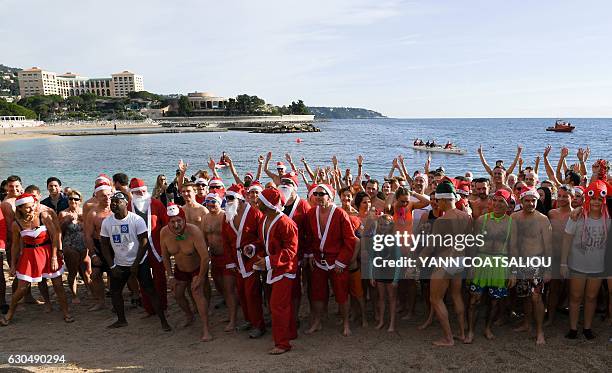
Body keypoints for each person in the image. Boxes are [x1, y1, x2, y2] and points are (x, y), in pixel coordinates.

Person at [99, 191, 171, 331]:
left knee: (150, 290)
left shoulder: (136, 220)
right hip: (119, 263)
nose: (113, 204)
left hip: (140, 262)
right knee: (115, 292)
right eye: (112, 202)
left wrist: (136, 264)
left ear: (126, 203)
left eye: (117, 202)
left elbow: (144, 243)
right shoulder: (107, 222)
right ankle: (121, 320)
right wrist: (112, 265)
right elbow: (104, 244)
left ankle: (163, 321)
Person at [1, 193, 73, 325]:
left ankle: (66, 312)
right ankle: (10, 313)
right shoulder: (16, 224)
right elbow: (15, 246)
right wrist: (12, 265)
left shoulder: (43, 216)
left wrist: (54, 256)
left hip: (47, 253)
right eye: (28, 207)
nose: (32, 209)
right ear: (20, 208)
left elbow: (55, 236)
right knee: (22, 288)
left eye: (33, 205)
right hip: (29, 256)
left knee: (58, 285)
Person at [305, 184, 357, 336]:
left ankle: (346, 323)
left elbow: (350, 240)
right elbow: (309, 237)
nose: (319, 197)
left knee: (341, 294)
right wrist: (310, 255)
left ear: (330, 196)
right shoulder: (311, 213)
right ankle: (318, 322)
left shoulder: (340, 214)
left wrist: (341, 261)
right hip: (319, 261)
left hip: (337, 262)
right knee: (317, 293)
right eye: (316, 194)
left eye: (322, 194)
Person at [252, 188, 299, 354]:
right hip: (273, 268)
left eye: (260, 201)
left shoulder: (286, 223)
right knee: (283, 305)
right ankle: (290, 333)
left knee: (278, 306)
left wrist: (268, 261)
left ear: (268, 205)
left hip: (284, 269)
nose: (256, 203)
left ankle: (282, 344)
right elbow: (262, 241)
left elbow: (291, 251)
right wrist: (252, 248)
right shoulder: (265, 219)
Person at [561, 180, 609, 340]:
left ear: (604, 200)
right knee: (575, 297)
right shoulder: (577, 216)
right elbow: (566, 240)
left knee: (591, 297)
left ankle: (587, 327)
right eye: (593, 198)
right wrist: (563, 263)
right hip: (577, 265)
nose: (596, 201)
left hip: (597, 266)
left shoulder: (608, 217)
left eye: (599, 199)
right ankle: (573, 328)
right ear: (588, 199)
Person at [426, 181, 471, 346]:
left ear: (444, 200)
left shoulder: (441, 221)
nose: (437, 204)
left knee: (435, 299)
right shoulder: (466, 216)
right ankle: (462, 333)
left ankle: (448, 338)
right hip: (460, 260)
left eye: (438, 201)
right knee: (456, 295)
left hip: (445, 262)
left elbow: (432, 246)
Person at [465, 189, 513, 343]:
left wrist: (512, 272)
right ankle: (471, 331)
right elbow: (474, 244)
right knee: (474, 300)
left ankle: (487, 328)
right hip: (481, 260)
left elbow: (514, 248)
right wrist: (471, 265)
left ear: (508, 205)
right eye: (496, 200)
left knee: (494, 301)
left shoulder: (512, 222)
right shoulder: (482, 220)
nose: (497, 204)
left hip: (500, 263)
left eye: (501, 201)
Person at [161, 203, 212, 341]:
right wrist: (170, 276)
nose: (176, 225)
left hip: (196, 267)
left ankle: (206, 328)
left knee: (197, 293)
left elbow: (205, 257)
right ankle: (189, 315)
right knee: (177, 294)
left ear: (184, 220)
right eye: (172, 222)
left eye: (179, 221)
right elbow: (165, 256)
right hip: (180, 269)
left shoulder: (194, 231)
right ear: (168, 222)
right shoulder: (164, 233)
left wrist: (201, 277)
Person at [509, 186, 553, 345]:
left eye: (533, 200)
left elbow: (548, 246)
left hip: (537, 262)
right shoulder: (514, 218)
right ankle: (527, 324)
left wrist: (548, 269)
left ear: (537, 201)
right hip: (520, 262)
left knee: (536, 297)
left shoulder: (543, 219)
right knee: (525, 296)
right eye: (527, 200)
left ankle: (540, 331)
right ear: (521, 201)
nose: (530, 203)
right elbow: (513, 245)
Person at [222, 184, 266, 337]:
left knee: (252, 293)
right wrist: (230, 262)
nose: (227, 201)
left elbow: (263, 238)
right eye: (226, 198)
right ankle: (249, 320)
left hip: (251, 261)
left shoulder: (255, 214)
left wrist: (253, 247)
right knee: (241, 293)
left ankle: (259, 325)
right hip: (236, 262)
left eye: (231, 198)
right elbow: (226, 240)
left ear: (240, 199)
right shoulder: (227, 215)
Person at [128, 178, 168, 316]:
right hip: (138, 249)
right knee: (143, 280)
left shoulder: (156, 204)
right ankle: (149, 308)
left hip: (156, 246)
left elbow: (166, 224)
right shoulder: (128, 207)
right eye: (138, 192)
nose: (142, 194)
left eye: (144, 191)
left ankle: (162, 306)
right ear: (133, 193)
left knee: (160, 278)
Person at [201, 192, 236, 331]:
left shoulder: (225, 216)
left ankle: (233, 320)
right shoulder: (205, 218)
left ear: (219, 202)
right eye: (208, 202)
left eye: (213, 202)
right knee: (220, 288)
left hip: (227, 257)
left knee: (229, 290)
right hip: (214, 258)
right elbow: (204, 239)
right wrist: (206, 255)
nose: (210, 205)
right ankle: (230, 314)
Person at [545, 184, 573, 326]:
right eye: (559, 196)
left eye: (565, 196)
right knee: (553, 288)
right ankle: (550, 318)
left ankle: (572, 319)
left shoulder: (576, 214)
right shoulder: (552, 213)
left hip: (571, 257)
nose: (561, 199)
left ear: (572, 198)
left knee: (571, 288)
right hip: (554, 255)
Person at [84, 181, 114, 311]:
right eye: (103, 196)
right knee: (95, 274)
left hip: (115, 247)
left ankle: (115, 301)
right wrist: (93, 254)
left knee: (114, 275)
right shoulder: (93, 214)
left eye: (109, 195)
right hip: (99, 246)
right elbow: (88, 236)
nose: (107, 198)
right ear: (96, 197)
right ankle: (101, 301)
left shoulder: (116, 210)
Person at [369, 214, 401, 332]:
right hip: (379, 272)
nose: (383, 227)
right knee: (381, 298)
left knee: (392, 298)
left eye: (385, 225)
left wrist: (396, 279)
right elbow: (372, 259)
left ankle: (392, 323)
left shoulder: (394, 239)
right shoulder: (375, 239)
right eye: (381, 225)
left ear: (390, 226)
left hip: (391, 272)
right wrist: (371, 275)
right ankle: (382, 320)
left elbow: (398, 259)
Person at [58, 190, 89, 304]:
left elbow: (89, 229)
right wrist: (66, 222)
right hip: (70, 245)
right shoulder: (63, 213)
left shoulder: (84, 212)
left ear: (80, 201)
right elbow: (59, 232)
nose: (73, 201)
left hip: (83, 245)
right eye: (70, 198)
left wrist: (83, 220)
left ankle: (89, 289)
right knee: (73, 272)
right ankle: (74, 295)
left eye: (76, 199)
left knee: (85, 271)